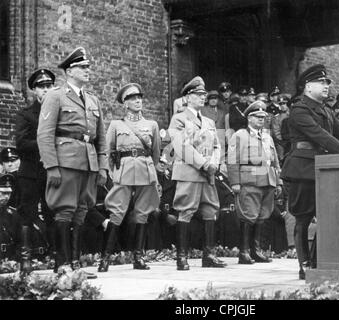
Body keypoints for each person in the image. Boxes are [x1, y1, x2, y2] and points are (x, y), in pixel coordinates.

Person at [280, 64, 339, 280]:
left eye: (328, 82)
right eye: (322, 82)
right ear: (308, 87)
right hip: (303, 170)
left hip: (324, 169)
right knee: (303, 218)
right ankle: (305, 266)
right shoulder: (300, 109)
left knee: (328, 217)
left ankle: (319, 261)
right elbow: (318, 135)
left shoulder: (326, 110)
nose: (327, 86)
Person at [37, 47, 108, 278]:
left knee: (81, 211)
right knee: (64, 210)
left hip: (88, 162)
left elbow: (101, 139)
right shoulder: (55, 96)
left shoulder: (92, 100)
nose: (87, 70)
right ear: (69, 70)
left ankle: (76, 264)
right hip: (65, 161)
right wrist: (51, 166)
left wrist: (103, 166)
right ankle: (62, 263)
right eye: (82, 67)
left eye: (88, 67)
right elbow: (45, 134)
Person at [97, 83, 160, 272]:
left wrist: (150, 169)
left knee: (143, 212)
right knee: (117, 211)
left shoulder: (152, 125)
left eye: (139, 97)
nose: (138, 100)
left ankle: (138, 257)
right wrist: (113, 172)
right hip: (123, 171)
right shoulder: (116, 125)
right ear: (125, 103)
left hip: (145, 170)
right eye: (133, 98)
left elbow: (155, 153)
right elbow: (108, 151)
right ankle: (105, 258)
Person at [168, 76, 226, 271]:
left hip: (208, 173)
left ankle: (209, 254)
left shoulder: (209, 121)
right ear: (187, 97)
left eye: (204, 94)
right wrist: (204, 164)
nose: (203, 97)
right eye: (198, 94)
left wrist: (215, 162)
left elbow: (217, 145)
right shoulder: (179, 118)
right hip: (190, 172)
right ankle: (181, 256)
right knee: (185, 210)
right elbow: (181, 146)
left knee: (211, 210)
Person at [227, 100, 282, 264]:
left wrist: (278, 182)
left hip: (268, 179)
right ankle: (244, 251)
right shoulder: (240, 135)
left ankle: (256, 250)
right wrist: (235, 182)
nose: (261, 119)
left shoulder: (267, 137)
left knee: (262, 216)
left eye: (263, 117)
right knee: (248, 215)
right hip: (249, 179)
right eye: (257, 116)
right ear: (249, 118)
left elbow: (275, 161)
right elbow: (232, 160)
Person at [15, 68, 56, 273]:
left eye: (49, 86)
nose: (46, 90)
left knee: (52, 213)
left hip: (50, 172)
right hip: (30, 172)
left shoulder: (58, 115)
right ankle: (26, 259)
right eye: (41, 87)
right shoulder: (26, 114)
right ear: (34, 91)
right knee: (27, 213)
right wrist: (46, 143)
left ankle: (58, 258)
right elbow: (21, 143)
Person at [0, 174, 21, 263]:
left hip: (10, 261)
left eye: (9, 193)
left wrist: (15, 260)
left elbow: (19, 241)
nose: (6, 197)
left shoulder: (13, 214)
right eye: (3, 193)